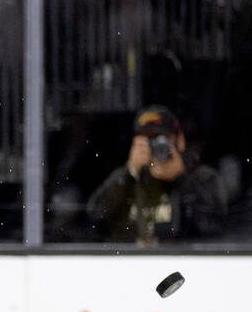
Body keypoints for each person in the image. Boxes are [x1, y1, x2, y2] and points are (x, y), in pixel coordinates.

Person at [85, 105, 227, 245]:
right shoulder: (126, 179)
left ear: (179, 140)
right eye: (147, 138)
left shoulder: (203, 178)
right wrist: (130, 173)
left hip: (181, 263)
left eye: (162, 138)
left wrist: (180, 178)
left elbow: (214, 229)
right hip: (130, 263)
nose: (155, 145)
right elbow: (94, 220)